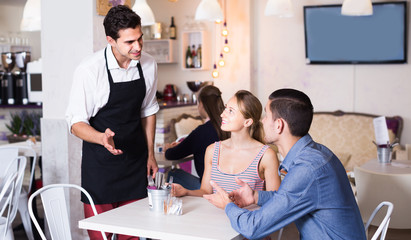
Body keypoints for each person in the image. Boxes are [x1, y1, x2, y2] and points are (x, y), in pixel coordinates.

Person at [204, 88, 366, 240]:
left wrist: (228, 206)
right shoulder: (318, 153)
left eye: (266, 116)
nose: (262, 121)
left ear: (279, 125)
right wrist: (255, 196)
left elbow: (252, 227)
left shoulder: (307, 169)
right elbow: (291, 195)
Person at [65, 5, 159, 240]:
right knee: (101, 237)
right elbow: (76, 122)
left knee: (134, 234)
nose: (137, 47)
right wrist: (100, 137)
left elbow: (148, 110)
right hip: (101, 169)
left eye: (140, 38)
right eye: (129, 42)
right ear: (111, 40)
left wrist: (150, 154)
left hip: (135, 163)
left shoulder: (148, 64)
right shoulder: (89, 70)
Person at [172, 90, 281, 197]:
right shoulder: (212, 150)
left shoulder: (266, 156)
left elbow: (275, 200)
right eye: (225, 108)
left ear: (247, 122)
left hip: (247, 215)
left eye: (231, 111)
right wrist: (185, 191)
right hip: (211, 214)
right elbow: (206, 191)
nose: (222, 114)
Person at [164, 85, 230, 190]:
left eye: (198, 103)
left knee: (173, 174)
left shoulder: (202, 131)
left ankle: (173, 205)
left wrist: (168, 148)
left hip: (208, 189)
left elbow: (171, 155)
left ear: (202, 104)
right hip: (230, 186)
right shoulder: (229, 127)